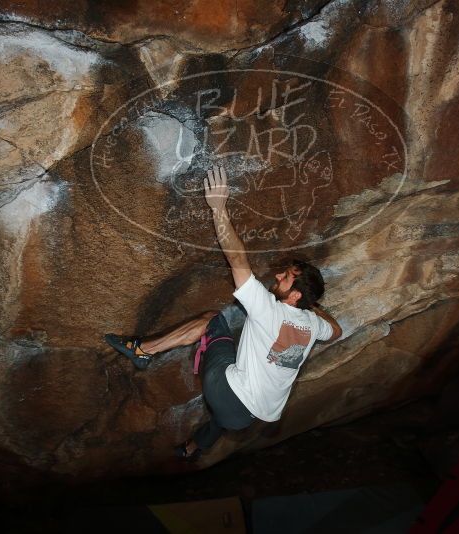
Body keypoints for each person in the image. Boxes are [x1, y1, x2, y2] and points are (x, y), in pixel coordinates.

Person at [105, 163, 342, 460]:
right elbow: (336, 330)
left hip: (225, 392)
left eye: (286, 278)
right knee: (227, 412)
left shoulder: (268, 310)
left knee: (212, 320)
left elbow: (237, 259)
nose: (278, 276)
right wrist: (312, 307)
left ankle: (143, 350)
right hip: (245, 418)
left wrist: (219, 208)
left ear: (295, 295)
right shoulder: (312, 324)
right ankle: (193, 447)